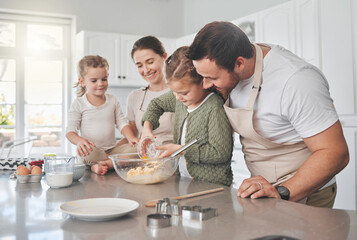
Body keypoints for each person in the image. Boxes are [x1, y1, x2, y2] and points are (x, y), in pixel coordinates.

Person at [187, 21, 349, 207]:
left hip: (304, 192)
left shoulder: (296, 81)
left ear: (239, 63)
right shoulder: (232, 62)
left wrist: (282, 192)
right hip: (262, 190)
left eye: (212, 78)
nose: (206, 85)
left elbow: (336, 153)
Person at [141, 46, 233, 186]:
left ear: (203, 82)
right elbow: (156, 104)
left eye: (184, 93)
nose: (178, 98)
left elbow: (220, 153)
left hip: (212, 186)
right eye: (174, 92)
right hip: (185, 180)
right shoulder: (181, 99)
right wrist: (147, 129)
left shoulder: (214, 108)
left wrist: (181, 150)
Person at [66, 55, 139, 175]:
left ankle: (104, 164)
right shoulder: (79, 103)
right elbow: (70, 131)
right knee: (87, 153)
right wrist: (79, 141)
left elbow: (121, 123)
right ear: (82, 81)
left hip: (112, 150)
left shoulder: (113, 100)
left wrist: (131, 138)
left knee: (139, 148)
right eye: (94, 81)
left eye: (104, 79)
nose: (100, 84)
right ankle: (113, 162)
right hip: (93, 151)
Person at [116, 36, 174, 149]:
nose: (146, 70)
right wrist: (110, 152)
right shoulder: (134, 97)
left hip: (172, 159)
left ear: (164, 56)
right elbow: (133, 136)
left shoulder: (180, 93)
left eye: (150, 62)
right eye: (140, 65)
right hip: (145, 160)